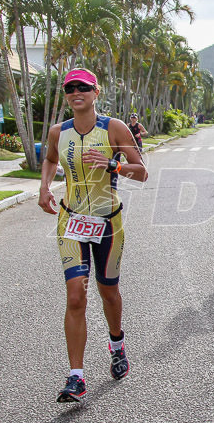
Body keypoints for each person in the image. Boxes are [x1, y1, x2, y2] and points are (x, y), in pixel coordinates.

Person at [38, 68, 148, 403]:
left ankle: (117, 343)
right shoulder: (60, 131)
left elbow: (142, 172)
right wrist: (43, 188)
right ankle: (76, 377)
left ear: (96, 91)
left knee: (108, 292)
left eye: (82, 87)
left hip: (107, 224)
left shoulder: (114, 128)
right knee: (75, 295)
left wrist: (112, 165)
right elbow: (50, 159)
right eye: (70, 88)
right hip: (71, 222)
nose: (75, 93)